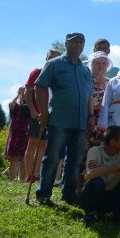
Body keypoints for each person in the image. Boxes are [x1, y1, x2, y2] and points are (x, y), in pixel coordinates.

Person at [34, 32, 93, 206]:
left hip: (80, 122)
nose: (78, 45)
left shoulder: (85, 70)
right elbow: (39, 86)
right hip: (59, 119)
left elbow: (89, 94)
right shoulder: (54, 64)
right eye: (74, 42)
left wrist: (91, 116)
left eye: (81, 42)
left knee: (74, 161)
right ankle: (43, 193)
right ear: (66, 44)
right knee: (52, 157)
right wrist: (43, 112)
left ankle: (68, 194)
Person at [80, 125, 120, 225]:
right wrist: (118, 167)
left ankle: (119, 216)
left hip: (113, 198)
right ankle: (90, 214)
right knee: (97, 182)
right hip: (93, 198)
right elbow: (89, 175)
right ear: (112, 142)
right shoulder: (94, 151)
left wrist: (102, 166)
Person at [24, 48, 62, 185]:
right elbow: (28, 92)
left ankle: (37, 175)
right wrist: (32, 110)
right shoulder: (36, 72)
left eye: (54, 58)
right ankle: (29, 175)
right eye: (49, 58)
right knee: (33, 142)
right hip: (37, 113)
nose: (51, 60)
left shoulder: (58, 75)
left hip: (53, 114)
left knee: (44, 145)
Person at [4, 87, 31, 181]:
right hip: (15, 133)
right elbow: (10, 104)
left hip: (26, 134)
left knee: (24, 157)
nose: (24, 94)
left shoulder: (30, 105)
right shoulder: (16, 105)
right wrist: (18, 94)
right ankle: (11, 180)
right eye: (23, 92)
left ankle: (22, 181)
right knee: (14, 158)